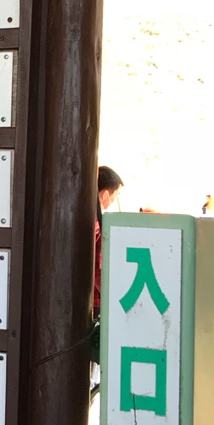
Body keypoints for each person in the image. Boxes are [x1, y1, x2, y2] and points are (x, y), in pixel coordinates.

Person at [90, 166, 123, 398]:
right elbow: (97, 268)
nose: (113, 202)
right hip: (95, 303)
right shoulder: (96, 222)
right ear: (104, 194)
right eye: (115, 195)